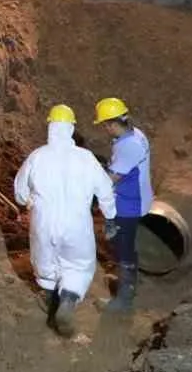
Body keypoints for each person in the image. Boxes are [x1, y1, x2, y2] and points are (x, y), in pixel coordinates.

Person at [13, 104, 119, 337]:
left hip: (44, 224)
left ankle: (50, 303)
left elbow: (19, 192)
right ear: (71, 129)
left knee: (46, 266)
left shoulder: (37, 157)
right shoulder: (86, 158)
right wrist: (110, 218)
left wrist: (27, 199)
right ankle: (68, 300)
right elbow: (105, 191)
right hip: (76, 226)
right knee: (78, 267)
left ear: (50, 127)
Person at [94, 96, 153, 313]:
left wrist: (90, 178)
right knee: (124, 244)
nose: (105, 129)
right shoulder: (135, 134)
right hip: (134, 198)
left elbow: (110, 179)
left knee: (123, 247)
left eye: (105, 125)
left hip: (130, 205)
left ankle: (124, 299)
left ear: (111, 124)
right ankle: (126, 281)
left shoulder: (129, 146)